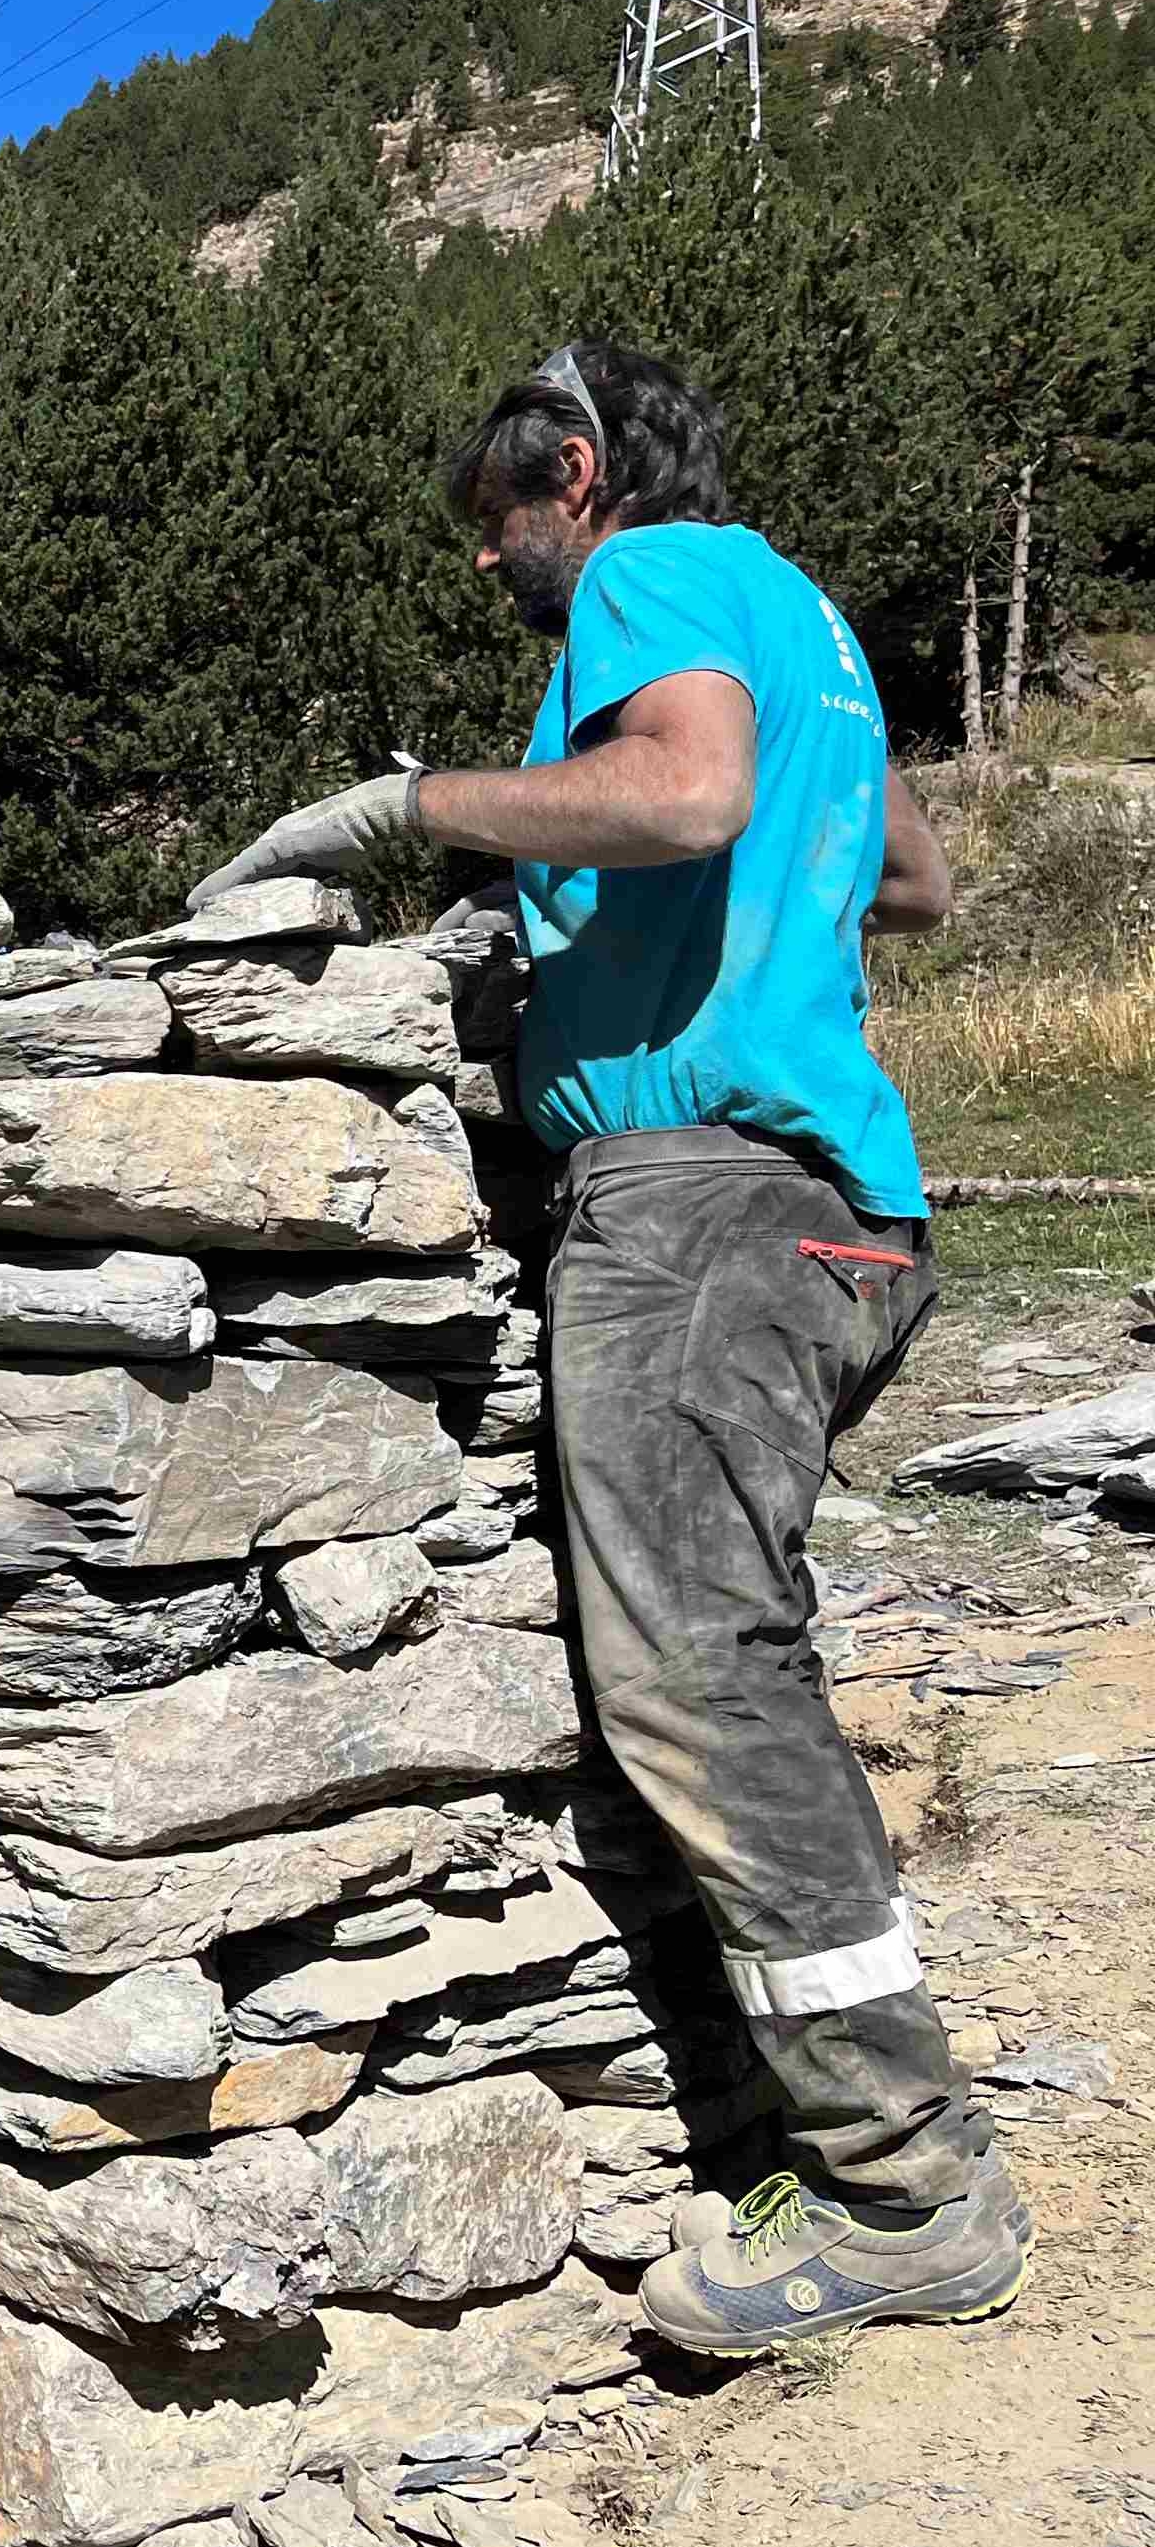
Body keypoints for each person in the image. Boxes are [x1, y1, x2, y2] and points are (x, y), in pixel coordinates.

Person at [189, 339, 1015, 2357]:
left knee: (694, 1676)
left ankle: (903, 2190)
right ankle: (806, 2096)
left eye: (500, 521)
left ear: (572, 468)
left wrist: (413, 810)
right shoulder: (800, 607)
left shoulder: (651, 581)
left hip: (700, 1197)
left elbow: (693, 788)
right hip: (845, 1196)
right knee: (730, 1648)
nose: (494, 567)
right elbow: (913, 879)